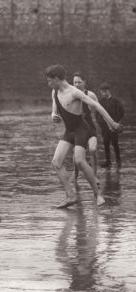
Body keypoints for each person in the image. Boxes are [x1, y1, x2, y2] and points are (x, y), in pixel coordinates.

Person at [45, 65, 120, 208]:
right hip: (69, 131)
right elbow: (54, 109)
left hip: (82, 130)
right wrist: (53, 115)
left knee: (79, 161)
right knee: (56, 162)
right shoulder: (55, 91)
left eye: (49, 81)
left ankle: (98, 195)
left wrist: (113, 123)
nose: (48, 84)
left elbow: (97, 106)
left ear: (56, 79)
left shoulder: (74, 92)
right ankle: (70, 196)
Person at [72, 72, 100, 179]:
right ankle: (75, 175)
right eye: (75, 82)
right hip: (77, 129)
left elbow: (99, 109)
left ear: (85, 82)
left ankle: (95, 174)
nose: (77, 84)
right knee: (76, 155)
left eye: (79, 82)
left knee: (92, 149)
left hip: (90, 127)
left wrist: (107, 124)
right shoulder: (71, 95)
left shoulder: (91, 94)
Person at [97, 82, 124, 168]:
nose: (104, 93)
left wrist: (115, 122)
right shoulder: (100, 102)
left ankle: (118, 161)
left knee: (115, 143)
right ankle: (108, 161)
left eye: (105, 91)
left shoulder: (116, 101)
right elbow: (97, 115)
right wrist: (102, 124)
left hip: (114, 127)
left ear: (109, 91)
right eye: (102, 92)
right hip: (104, 127)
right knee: (106, 143)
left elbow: (122, 112)